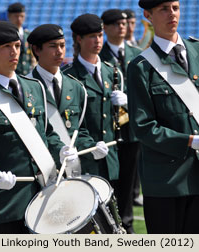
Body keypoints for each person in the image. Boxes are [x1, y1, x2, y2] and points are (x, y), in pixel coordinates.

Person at [0, 21, 79, 233]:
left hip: (44, 196)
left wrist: (61, 150)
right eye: (6, 47)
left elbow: (47, 134)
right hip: (7, 203)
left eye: (16, 46)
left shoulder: (35, 87)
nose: (14, 52)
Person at [127, 0, 199, 233]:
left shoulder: (197, 51)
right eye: (163, 9)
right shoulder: (140, 67)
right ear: (148, 15)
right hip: (167, 181)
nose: (172, 14)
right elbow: (143, 126)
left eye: (175, 8)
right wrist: (189, 141)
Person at [26, 24, 110, 175]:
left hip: (73, 169)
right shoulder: (26, 87)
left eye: (62, 46)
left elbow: (79, 131)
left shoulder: (76, 86)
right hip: (42, 170)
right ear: (37, 50)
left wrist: (92, 147)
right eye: (53, 46)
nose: (59, 51)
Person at [62, 14, 120, 184]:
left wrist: (126, 107)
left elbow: (119, 120)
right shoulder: (68, 76)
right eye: (92, 36)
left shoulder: (113, 73)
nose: (98, 40)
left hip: (111, 159)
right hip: (84, 160)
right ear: (79, 39)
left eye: (100, 35)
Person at [100, 8, 142, 234]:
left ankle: (126, 225)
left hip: (131, 129)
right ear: (105, 28)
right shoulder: (99, 56)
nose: (122, 27)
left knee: (128, 181)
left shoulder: (137, 53)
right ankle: (108, 224)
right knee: (108, 182)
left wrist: (130, 101)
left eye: (124, 23)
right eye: (116, 23)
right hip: (107, 131)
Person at [7, 2, 34, 75]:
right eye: (16, 16)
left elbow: (32, 58)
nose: (19, 19)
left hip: (27, 75)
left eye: (21, 16)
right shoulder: (5, 36)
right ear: (9, 16)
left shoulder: (28, 35)